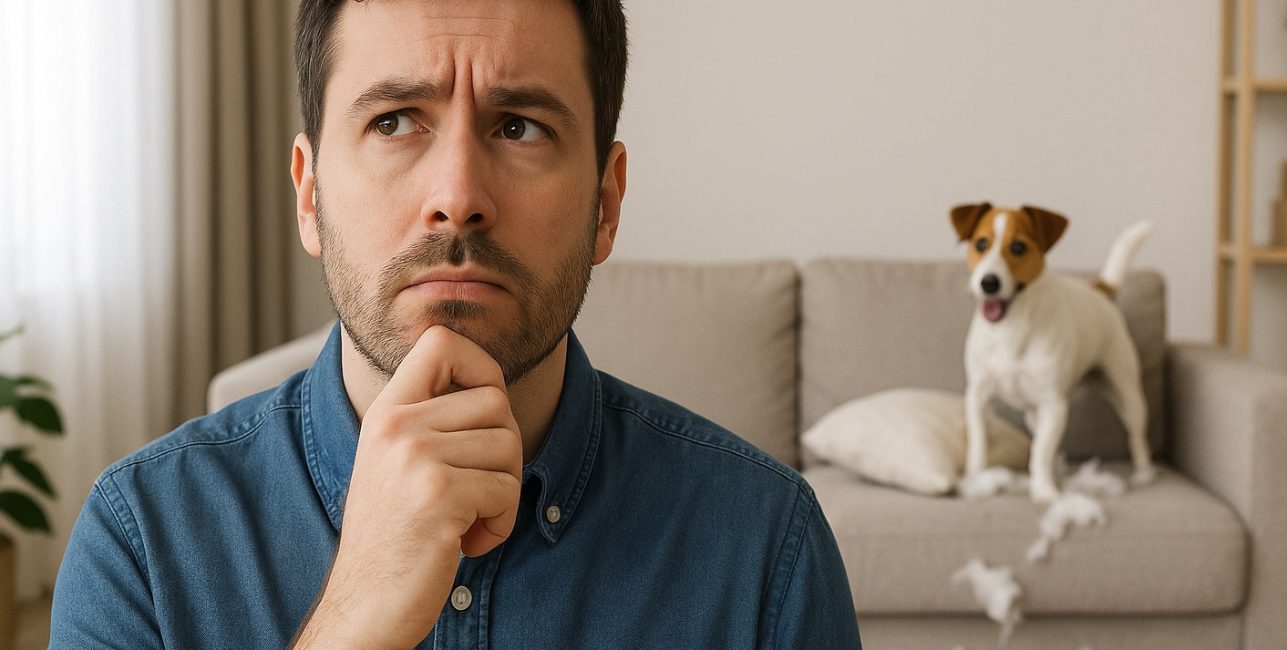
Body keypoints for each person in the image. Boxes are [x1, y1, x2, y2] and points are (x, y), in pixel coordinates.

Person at [49, 1, 861, 647]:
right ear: (309, 194)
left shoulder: (767, 547)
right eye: (396, 119)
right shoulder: (140, 541)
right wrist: (355, 617)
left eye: (520, 126)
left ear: (605, 205)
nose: (458, 191)